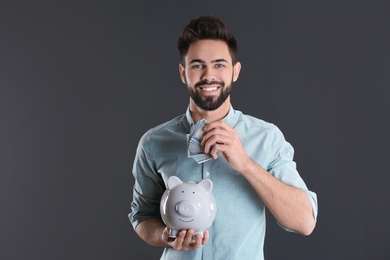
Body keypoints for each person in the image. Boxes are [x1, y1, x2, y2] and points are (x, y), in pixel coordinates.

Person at [129, 15, 318, 259]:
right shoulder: (153, 143)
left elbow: (304, 221)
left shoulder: (267, 138)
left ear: (235, 71)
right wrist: (165, 235)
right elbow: (141, 217)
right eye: (197, 65)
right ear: (182, 73)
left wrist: (246, 164)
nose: (209, 75)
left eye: (219, 64)